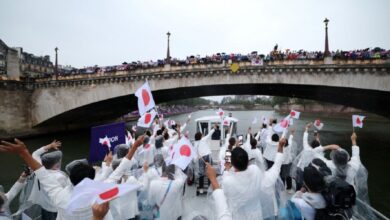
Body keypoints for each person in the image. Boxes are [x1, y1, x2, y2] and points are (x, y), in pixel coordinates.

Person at [0, 136, 144, 220]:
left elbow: (41, 172)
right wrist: (135, 146)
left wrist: (24, 153)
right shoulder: (102, 192)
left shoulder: (60, 196)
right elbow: (120, 169)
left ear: (71, 178)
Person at [221, 138, 286, 220]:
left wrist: (227, 170)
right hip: (256, 216)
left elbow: (222, 200)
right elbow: (276, 167)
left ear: (232, 164)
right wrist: (280, 147)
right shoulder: (256, 172)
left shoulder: (228, 180)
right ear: (248, 161)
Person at [28, 140, 70, 220]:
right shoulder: (60, 177)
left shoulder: (39, 170)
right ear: (56, 165)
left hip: (44, 206)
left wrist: (50, 145)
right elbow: (67, 192)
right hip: (55, 209)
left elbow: (35, 154)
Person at [194, 124, 216, 193]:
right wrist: (214, 128)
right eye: (202, 135)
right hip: (208, 156)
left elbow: (195, 152)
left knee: (201, 172)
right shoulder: (203, 139)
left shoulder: (195, 143)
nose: (202, 135)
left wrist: (196, 159)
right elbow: (209, 134)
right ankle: (210, 187)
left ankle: (201, 189)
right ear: (200, 137)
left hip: (201, 158)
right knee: (210, 171)